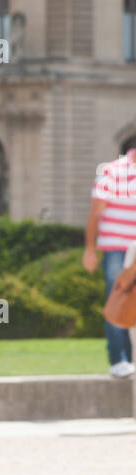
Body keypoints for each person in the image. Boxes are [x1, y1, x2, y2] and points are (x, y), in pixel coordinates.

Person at [83, 144, 136, 378]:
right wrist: (90, 249)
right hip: (116, 249)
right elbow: (95, 212)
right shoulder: (112, 171)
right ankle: (119, 360)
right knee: (118, 299)